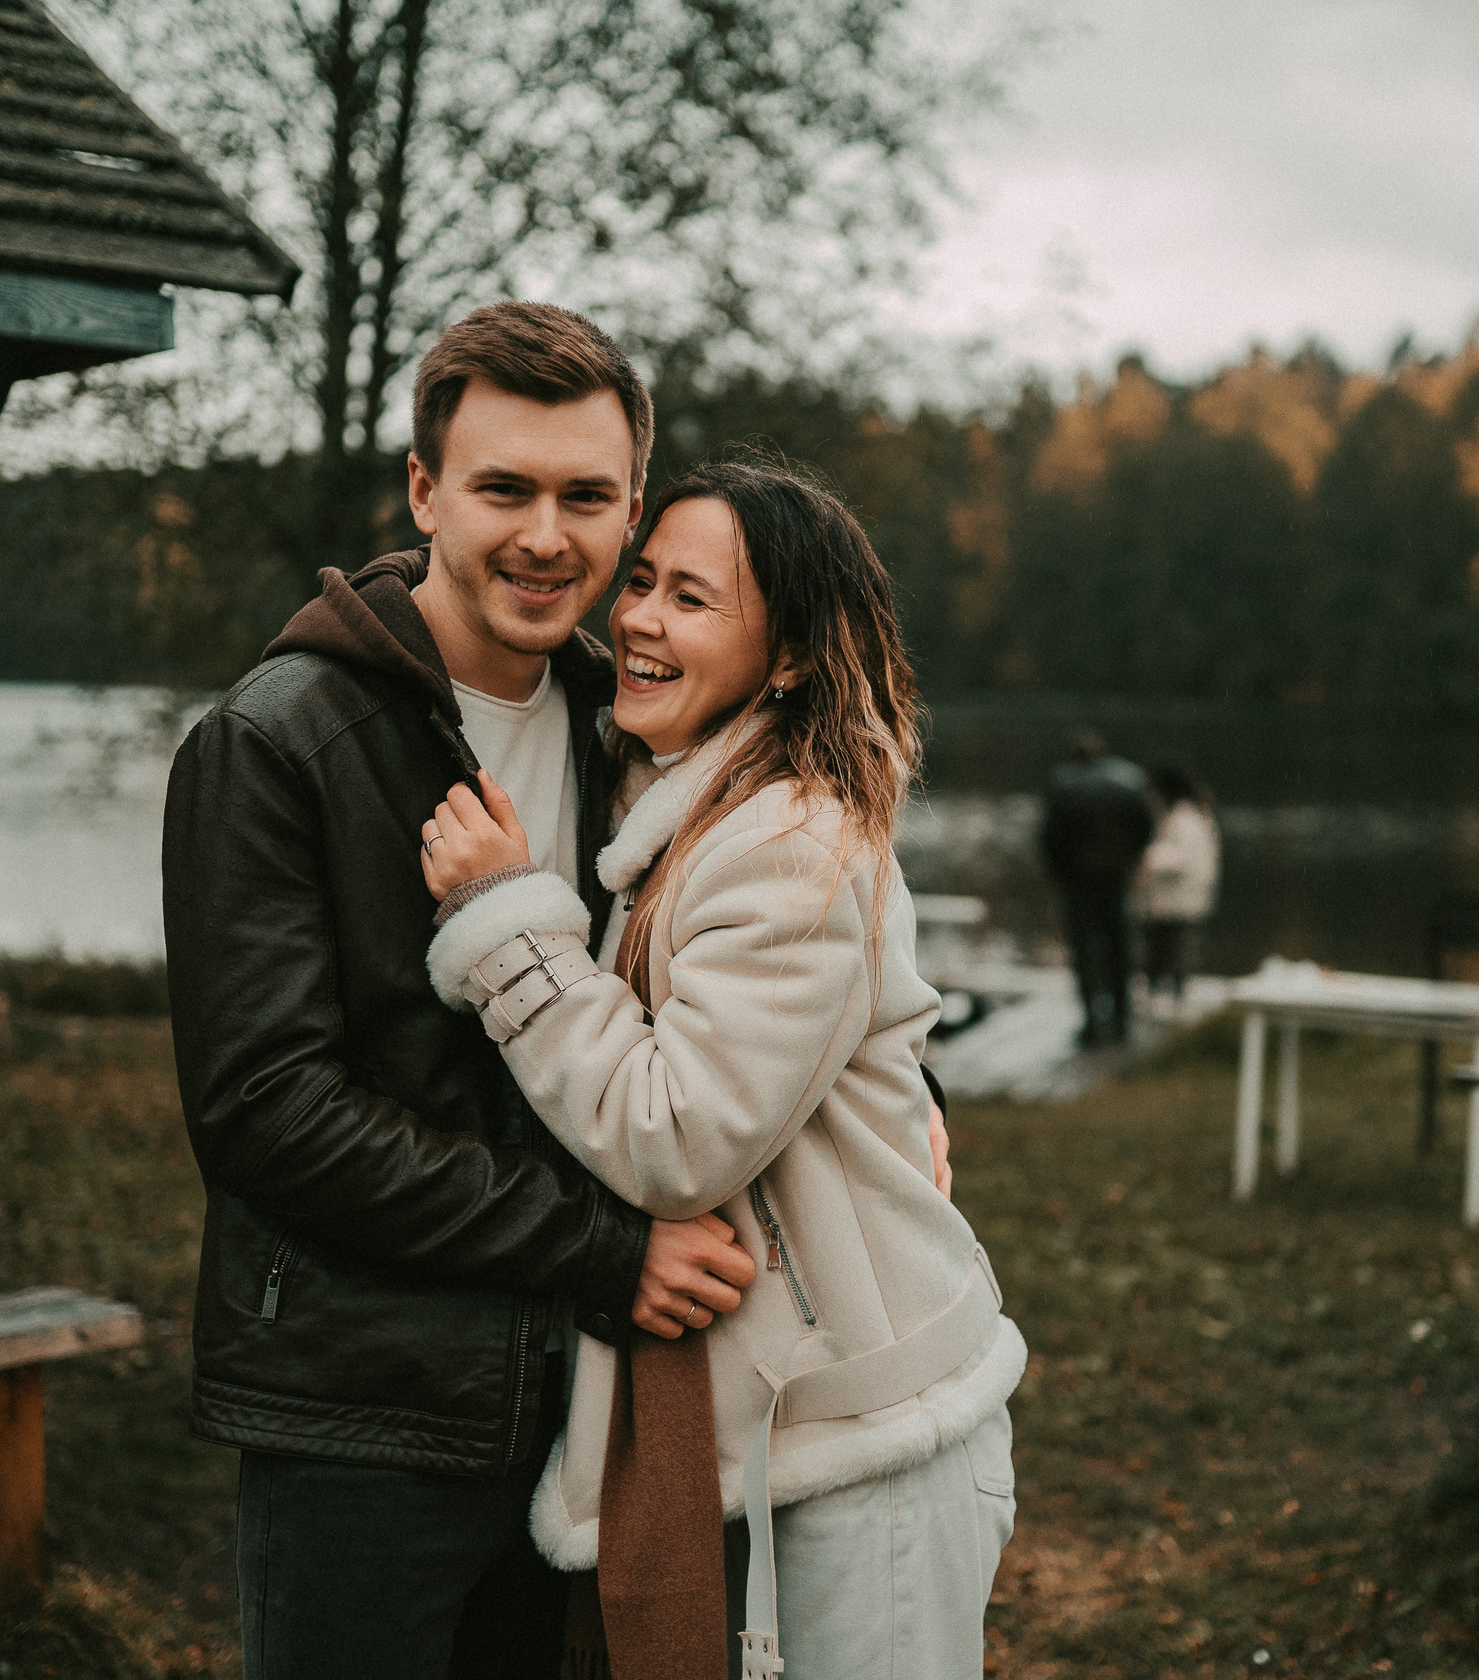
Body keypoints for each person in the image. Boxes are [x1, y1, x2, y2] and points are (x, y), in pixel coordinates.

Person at [163, 302, 767, 1679]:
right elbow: (268, 1110)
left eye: (585, 495)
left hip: (598, 1411)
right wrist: (608, 1250)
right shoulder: (274, 741)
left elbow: (772, 941)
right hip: (360, 1415)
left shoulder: (649, 727)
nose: (545, 536)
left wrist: (909, 1082)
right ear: (425, 490)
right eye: (504, 488)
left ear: (632, 512)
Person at [418, 458, 1023, 1680]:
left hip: (871, 1440)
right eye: (641, 582)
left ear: (789, 656)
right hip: (790, 1425)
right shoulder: (677, 802)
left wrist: (501, 924)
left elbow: (677, 1134)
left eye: (692, 601)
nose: (637, 619)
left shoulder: (789, 840)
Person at [1039, 731, 1156, 1046]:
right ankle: (1121, 1020)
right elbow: (1146, 826)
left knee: (1083, 951)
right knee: (1119, 947)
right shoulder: (1129, 780)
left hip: (1078, 882)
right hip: (1116, 879)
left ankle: (1092, 1024)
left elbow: (1050, 838)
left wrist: (1061, 875)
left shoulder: (1062, 784)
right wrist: (1129, 860)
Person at [1137, 763, 1220, 1015]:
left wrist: (1145, 861)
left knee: (1165, 947)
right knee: (1169, 946)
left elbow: (1181, 856)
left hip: (1176, 896)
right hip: (1182, 894)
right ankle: (1170, 998)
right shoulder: (1194, 812)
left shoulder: (1184, 817)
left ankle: (1167, 1000)